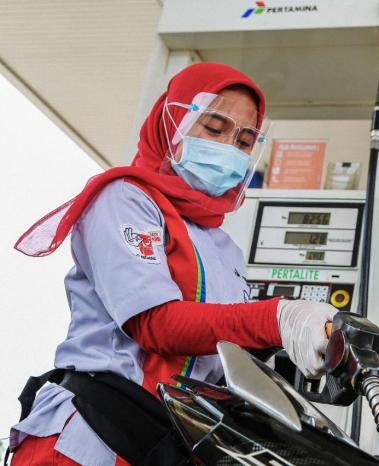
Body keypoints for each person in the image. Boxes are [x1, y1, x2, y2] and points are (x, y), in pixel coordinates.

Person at [8, 62, 337, 465]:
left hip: (168, 440)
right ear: (172, 123)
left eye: (244, 140)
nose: (229, 148)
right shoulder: (125, 199)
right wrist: (277, 318)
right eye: (213, 128)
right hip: (93, 434)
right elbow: (155, 324)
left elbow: (224, 349)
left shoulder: (225, 249)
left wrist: (307, 341)